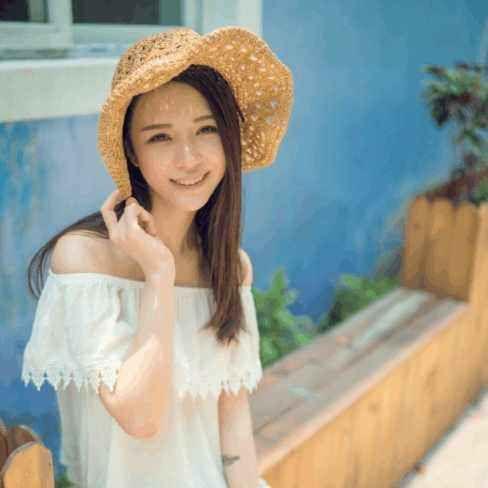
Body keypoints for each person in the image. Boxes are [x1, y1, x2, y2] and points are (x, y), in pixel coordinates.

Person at [21, 25, 293, 487]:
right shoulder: (85, 260)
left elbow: (232, 423)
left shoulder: (231, 267)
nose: (189, 158)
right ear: (131, 150)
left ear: (228, 138)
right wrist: (159, 275)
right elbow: (140, 417)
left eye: (206, 129)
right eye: (161, 137)